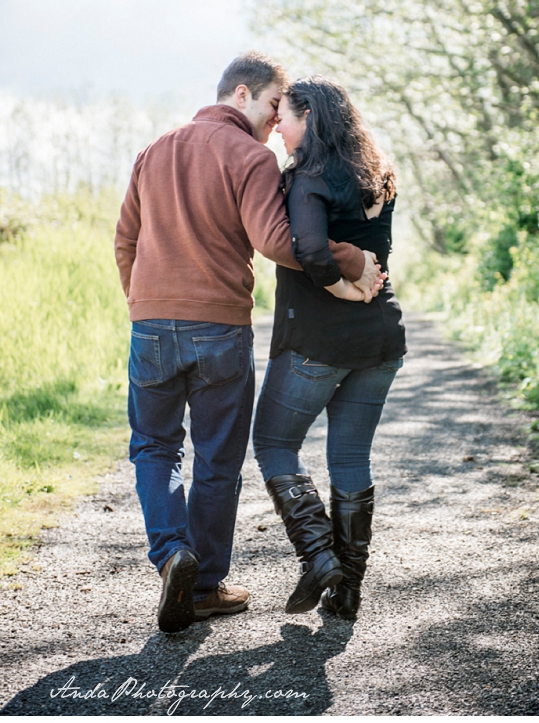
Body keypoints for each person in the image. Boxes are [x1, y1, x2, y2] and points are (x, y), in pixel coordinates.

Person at [114, 52, 382, 634]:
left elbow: (125, 241)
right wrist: (354, 257)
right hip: (221, 330)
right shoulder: (250, 156)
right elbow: (276, 240)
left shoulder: (153, 150)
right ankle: (204, 584)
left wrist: (145, 305)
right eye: (269, 108)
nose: (272, 124)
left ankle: (170, 554)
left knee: (154, 449)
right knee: (217, 458)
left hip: (152, 326)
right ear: (241, 95)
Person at [253, 76, 406, 619]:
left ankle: (319, 556)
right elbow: (375, 250)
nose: (279, 128)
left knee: (272, 443)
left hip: (318, 342)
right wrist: (358, 282)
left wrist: (339, 284)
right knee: (349, 457)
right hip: (381, 338)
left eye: (286, 118)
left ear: (310, 118)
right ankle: (347, 593)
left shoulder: (307, 177)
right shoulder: (378, 173)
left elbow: (310, 249)